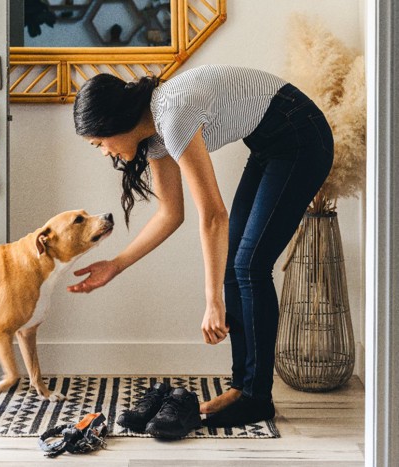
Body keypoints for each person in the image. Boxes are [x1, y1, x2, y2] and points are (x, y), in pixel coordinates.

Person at [68, 64, 334, 427]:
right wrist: (115, 265)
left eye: (99, 143)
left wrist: (213, 302)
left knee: (250, 266)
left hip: (301, 135)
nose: (103, 152)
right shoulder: (156, 132)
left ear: (114, 121)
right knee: (235, 263)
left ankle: (257, 398)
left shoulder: (172, 114)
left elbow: (213, 216)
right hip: (271, 146)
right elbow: (171, 213)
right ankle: (243, 388)